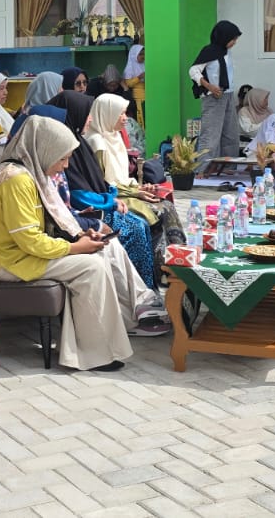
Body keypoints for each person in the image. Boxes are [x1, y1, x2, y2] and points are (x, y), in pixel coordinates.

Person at [0, 117, 134, 371]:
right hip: (9, 262)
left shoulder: (29, 172)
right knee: (90, 267)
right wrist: (74, 247)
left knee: (103, 251)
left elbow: (46, 224)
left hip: (22, 253)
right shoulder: (16, 180)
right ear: (44, 150)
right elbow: (29, 240)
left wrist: (78, 237)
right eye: (62, 158)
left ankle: (101, 339)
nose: (64, 167)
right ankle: (91, 354)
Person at [47, 92, 165, 335]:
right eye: (86, 113)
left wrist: (111, 197)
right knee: (131, 227)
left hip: (91, 209)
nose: (89, 119)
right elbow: (76, 194)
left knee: (141, 222)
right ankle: (138, 302)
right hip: (84, 213)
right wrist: (109, 202)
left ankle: (147, 292)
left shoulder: (78, 143)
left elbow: (98, 182)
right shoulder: (66, 148)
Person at [87, 93, 187, 262]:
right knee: (158, 211)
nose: (125, 118)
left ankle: (180, 260)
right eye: (120, 113)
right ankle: (165, 265)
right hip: (113, 197)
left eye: (125, 113)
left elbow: (122, 177)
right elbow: (102, 183)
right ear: (106, 113)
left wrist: (139, 188)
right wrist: (135, 192)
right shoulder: (97, 142)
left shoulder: (114, 136)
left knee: (167, 205)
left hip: (126, 191)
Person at [189, 20, 243, 159]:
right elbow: (194, 70)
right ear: (224, 37)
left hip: (228, 95)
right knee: (211, 135)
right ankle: (203, 169)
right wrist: (209, 86)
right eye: (233, 39)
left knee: (230, 134)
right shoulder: (209, 51)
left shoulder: (227, 52)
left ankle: (227, 166)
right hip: (213, 98)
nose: (234, 43)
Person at [121, 44, 145, 123]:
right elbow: (128, 84)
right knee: (140, 119)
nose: (143, 56)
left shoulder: (145, 65)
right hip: (137, 98)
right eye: (140, 54)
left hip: (147, 96)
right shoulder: (130, 68)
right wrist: (139, 77)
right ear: (134, 55)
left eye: (143, 54)